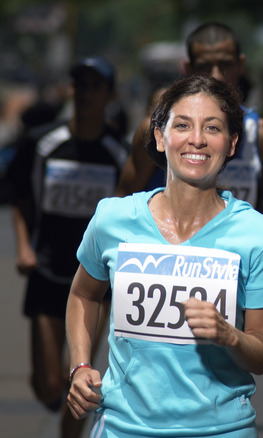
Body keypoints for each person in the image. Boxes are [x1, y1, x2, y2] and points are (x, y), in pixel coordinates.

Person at [65, 75, 263, 436]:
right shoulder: (113, 218)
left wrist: (229, 336)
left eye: (212, 127)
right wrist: (80, 365)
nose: (197, 139)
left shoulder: (259, 235)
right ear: (159, 136)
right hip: (122, 427)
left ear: (232, 143)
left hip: (221, 429)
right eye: (182, 124)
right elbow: (83, 294)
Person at [8, 56, 128, 438]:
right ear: (71, 91)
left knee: (82, 375)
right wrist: (24, 248)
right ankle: (56, 385)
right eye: (81, 85)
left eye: (97, 86)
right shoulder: (42, 143)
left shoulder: (119, 151)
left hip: (96, 279)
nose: (87, 94)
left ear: (109, 95)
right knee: (47, 387)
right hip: (46, 269)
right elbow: (19, 199)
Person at [115, 22, 263, 213]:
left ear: (240, 65)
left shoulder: (262, 135)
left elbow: (260, 203)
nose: (216, 75)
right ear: (188, 68)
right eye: (204, 66)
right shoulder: (155, 131)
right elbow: (123, 203)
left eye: (225, 64)